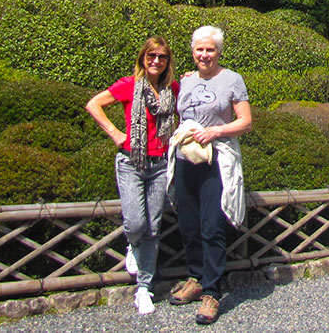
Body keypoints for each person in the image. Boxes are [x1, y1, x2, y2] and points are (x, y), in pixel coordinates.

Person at [85, 37, 179, 315]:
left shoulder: (172, 89)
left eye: (162, 57)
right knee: (138, 224)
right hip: (131, 162)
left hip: (160, 163)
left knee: (153, 225)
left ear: (167, 61)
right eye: (151, 55)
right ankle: (133, 245)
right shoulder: (128, 85)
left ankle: (144, 288)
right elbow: (94, 104)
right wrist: (115, 133)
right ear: (143, 58)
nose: (156, 61)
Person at [165, 25, 252, 325]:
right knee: (188, 224)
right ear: (192, 52)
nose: (204, 55)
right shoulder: (186, 82)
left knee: (212, 226)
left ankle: (212, 292)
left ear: (219, 51)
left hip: (217, 160)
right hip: (186, 158)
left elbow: (246, 122)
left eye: (210, 49)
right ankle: (195, 278)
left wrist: (215, 130)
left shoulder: (232, 80)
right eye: (199, 49)